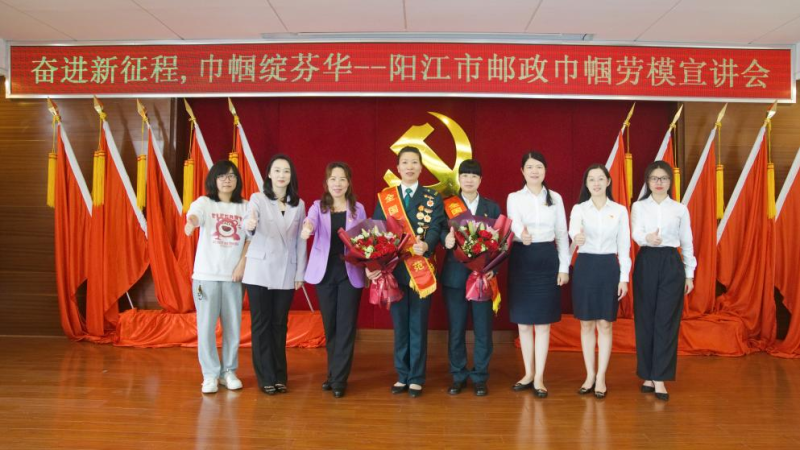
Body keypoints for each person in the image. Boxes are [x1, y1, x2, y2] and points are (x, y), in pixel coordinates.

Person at [368, 146, 445, 398]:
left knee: (418, 324)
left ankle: (417, 377)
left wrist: (428, 244)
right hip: (395, 270)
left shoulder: (432, 197)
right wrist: (375, 266)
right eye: (405, 162)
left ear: (421, 167)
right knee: (400, 324)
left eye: (414, 162)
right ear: (398, 168)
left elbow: (437, 226)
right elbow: (377, 231)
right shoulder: (386, 198)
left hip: (422, 269)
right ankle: (402, 375)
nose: (409, 167)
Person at [506, 151, 570, 398]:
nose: (535, 171)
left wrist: (563, 267)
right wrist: (521, 233)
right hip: (523, 258)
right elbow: (513, 222)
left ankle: (540, 377)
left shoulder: (556, 198)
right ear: (522, 171)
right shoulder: (514, 197)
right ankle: (528, 373)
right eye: (530, 167)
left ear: (545, 170)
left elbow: (562, 234)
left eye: (539, 167)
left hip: (546, 259)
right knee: (524, 323)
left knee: (543, 324)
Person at [301, 162, 366, 398]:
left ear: (348, 183)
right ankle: (332, 373)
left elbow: (365, 239)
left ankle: (339, 379)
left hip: (350, 273)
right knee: (331, 326)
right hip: (325, 273)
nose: (337, 183)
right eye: (333, 179)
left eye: (342, 179)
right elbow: (310, 222)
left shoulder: (358, 209)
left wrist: (371, 267)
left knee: (346, 326)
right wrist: (307, 228)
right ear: (326, 183)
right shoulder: (318, 207)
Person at [243, 154, 307, 396]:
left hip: (286, 271)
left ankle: (280, 376)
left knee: (279, 324)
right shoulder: (258, 199)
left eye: (286, 171)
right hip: (259, 270)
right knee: (261, 325)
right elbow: (248, 226)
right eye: (277, 170)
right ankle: (265, 377)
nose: (281, 175)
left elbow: (301, 241)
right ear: (269, 174)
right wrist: (249, 225)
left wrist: (300, 272)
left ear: (291, 176)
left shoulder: (298, 205)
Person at [631, 161, 695, 401]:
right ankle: (647, 375)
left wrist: (689, 273)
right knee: (645, 319)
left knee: (666, 320)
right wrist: (646, 238)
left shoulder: (680, 209)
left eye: (664, 178)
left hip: (670, 262)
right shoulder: (639, 206)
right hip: (647, 260)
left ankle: (660, 377)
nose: (659, 183)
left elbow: (687, 241)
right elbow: (636, 232)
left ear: (670, 181)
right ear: (648, 182)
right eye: (654, 178)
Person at [185, 160, 250, 394]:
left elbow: (250, 238)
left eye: (231, 176)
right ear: (214, 179)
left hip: (234, 277)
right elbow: (195, 216)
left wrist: (242, 264)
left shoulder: (245, 206)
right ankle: (210, 374)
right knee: (206, 327)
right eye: (222, 176)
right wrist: (191, 223)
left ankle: (228, 372)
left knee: (233, 326)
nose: (227, 180)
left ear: (237, 180)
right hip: (206, 276)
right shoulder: (205, 203)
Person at [569, 164, 631, 399]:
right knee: (586, 324)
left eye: (600, 179)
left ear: (608, 181)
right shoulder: (579, 209)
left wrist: (624, 278)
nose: (596, 183)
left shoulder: (620, 210)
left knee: (605, 324)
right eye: (591, 179)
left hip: (608, 267)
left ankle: (602, 377)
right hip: (585, 265)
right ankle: (590, 375)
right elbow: (573, 231)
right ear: (586, 184)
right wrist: (577, 237)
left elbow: (624, 246)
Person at [440, 159, 501, 396]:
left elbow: (502, 241)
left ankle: (480, 376)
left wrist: (494, 268)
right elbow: (439, 230)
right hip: (455, 277)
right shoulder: (447, 205)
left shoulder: (491, 207)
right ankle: (458, 375)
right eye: (465, 175)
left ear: (480, 180)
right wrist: (445, 239)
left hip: (483, 276)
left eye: (474, 176)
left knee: (483, 329)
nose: (469, 180)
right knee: (456, 329)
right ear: (459, 179)